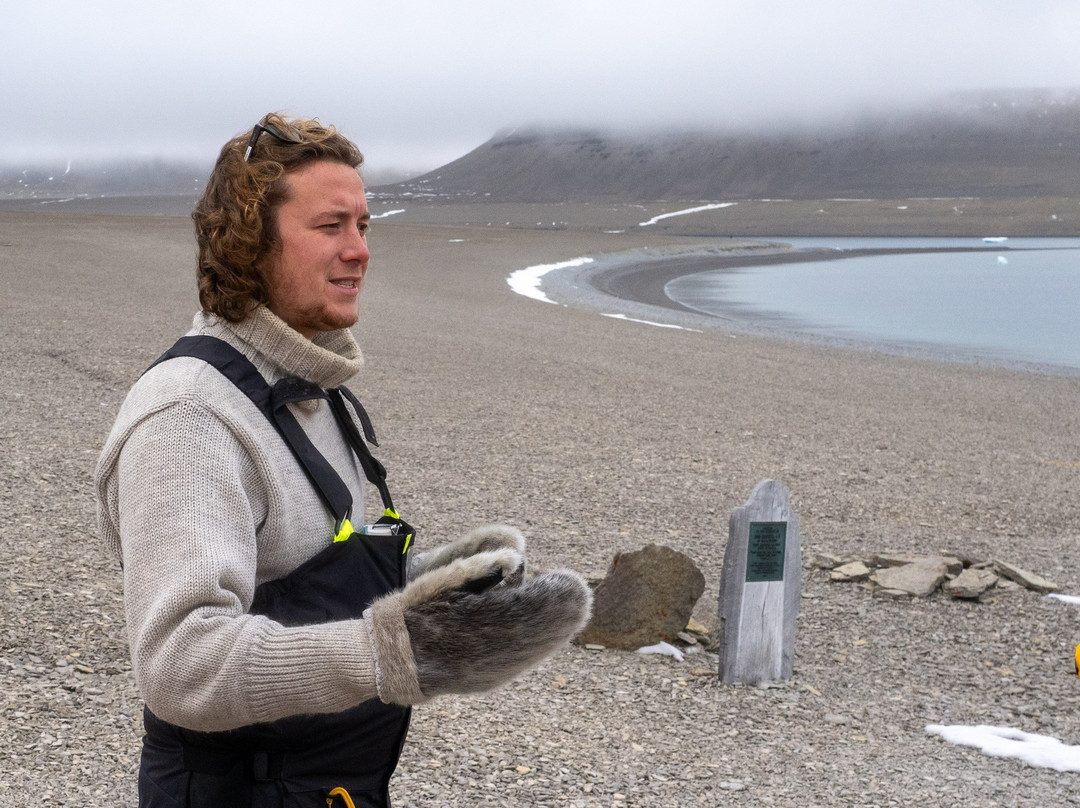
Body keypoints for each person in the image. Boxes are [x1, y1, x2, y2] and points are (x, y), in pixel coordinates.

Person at [95, 112, 592, 807]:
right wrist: (398, 650)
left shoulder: (315, 391)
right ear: (248, 246)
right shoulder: (189, 418)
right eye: (331, 227)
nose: (358, 250)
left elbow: (302, 577)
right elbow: (181, 666)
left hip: (327, 787)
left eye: (363, 226)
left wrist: (435, 587)